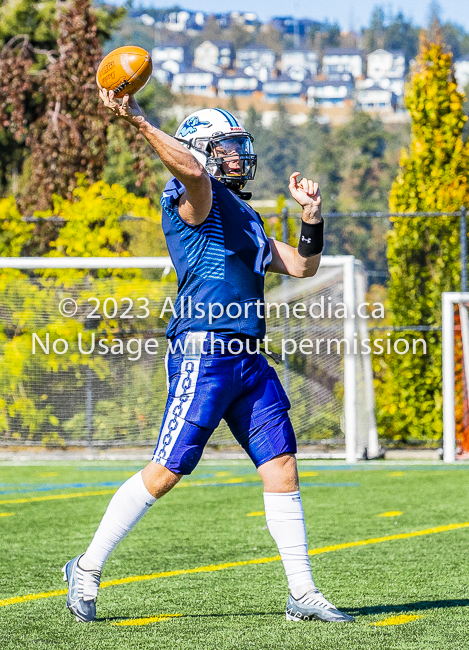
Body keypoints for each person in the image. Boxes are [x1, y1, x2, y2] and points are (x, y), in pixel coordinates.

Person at [62, 90, 354, 624]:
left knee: (282, 464)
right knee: (166, 471)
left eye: (240, 145)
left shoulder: (244, 213)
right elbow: (196, 177)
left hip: (249, 358)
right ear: (201, 150)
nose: (239, 155)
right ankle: (85, 567)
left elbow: (302, 267)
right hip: (206, 350)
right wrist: (141, 121)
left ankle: (302, 593)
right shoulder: (192, 196)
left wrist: (312, 217)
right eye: (227, 147)